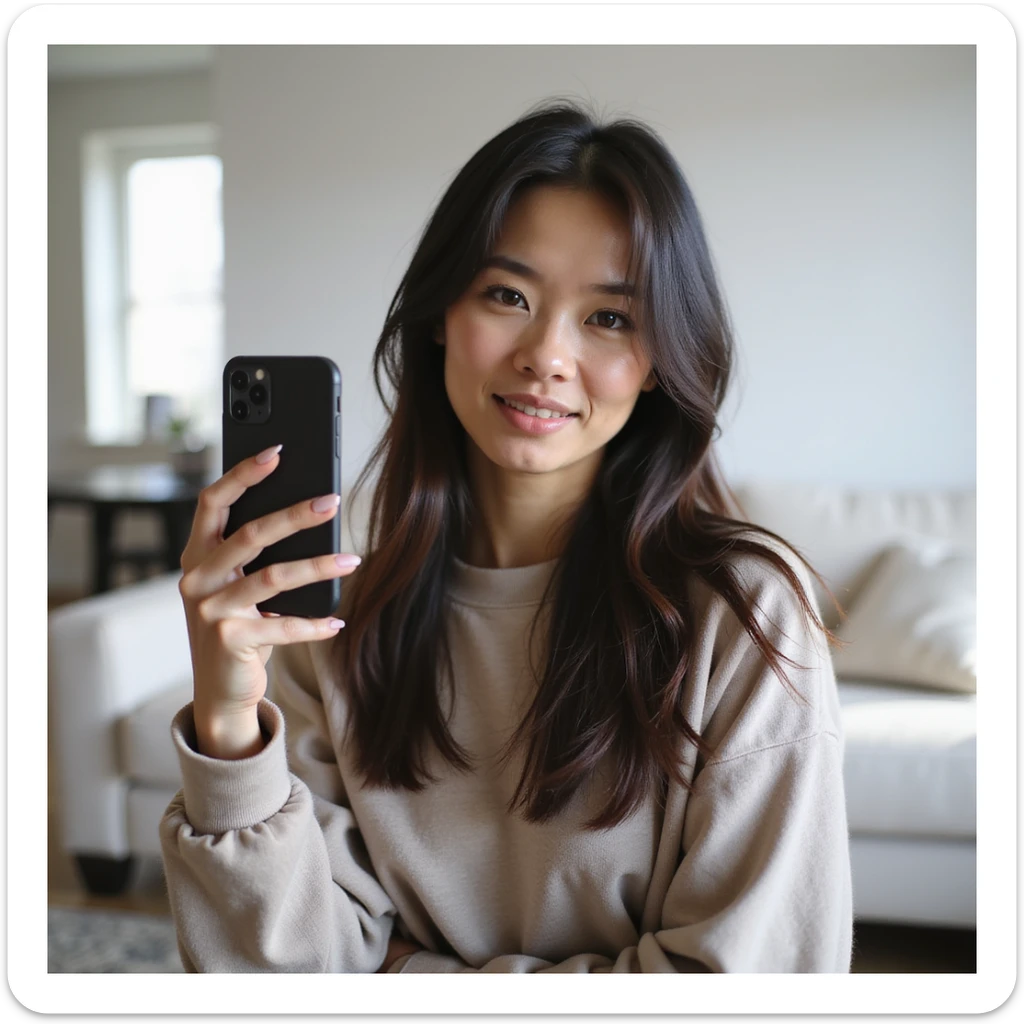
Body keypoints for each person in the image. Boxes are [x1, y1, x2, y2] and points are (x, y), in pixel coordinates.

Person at [160, 100, 854, 973]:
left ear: (658, 361)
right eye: (507, 295)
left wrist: (408, 971)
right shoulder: (328, 623)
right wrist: (228, 725)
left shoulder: (746, 616)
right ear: (441, 315)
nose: (546, 355)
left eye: (608, 318)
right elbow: (277, 976)